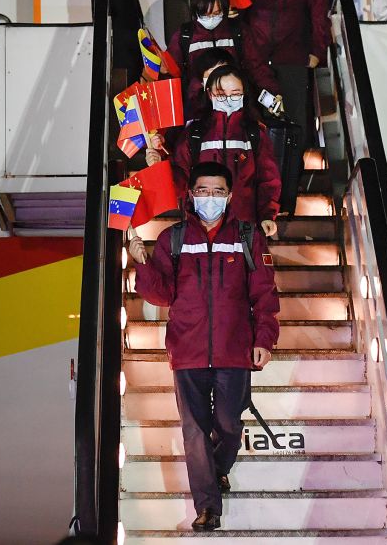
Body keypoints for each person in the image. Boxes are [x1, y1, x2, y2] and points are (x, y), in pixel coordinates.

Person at [129, 161, 280, 532]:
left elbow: (263, 294)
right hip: (187, 350)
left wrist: (264, 339)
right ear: (190, 194)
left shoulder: (247, 237)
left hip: (235, 349)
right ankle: (208, 506)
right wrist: (142, 263)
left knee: (229, 424)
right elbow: (162, 294)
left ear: (229, 196)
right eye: (202, 191)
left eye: (217, 191)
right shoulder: (173, 238)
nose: (209, 198)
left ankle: (218, 469)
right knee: (194, 430)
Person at [235, 0, 328, 212]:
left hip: (292, 61)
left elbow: (318, 12)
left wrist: (317, 51)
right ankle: (250, 197)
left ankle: (286, 196)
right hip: (254, 61)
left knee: (294, 130)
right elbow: (234, 0)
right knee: (252, 127)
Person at [172, 65, 280, 238]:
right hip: (199, 226)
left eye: (236, 93)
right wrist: (159, 162)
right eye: (221, 93)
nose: (229, 99)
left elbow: (268, 179)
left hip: (244, 226)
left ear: (244, 95)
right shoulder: (194, 133)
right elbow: (181, 176)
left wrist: (267, 215)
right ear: (209, 94)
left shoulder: (254, 133)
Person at [168, 0, 246, 118]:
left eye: (216, 13)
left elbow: (256, 65)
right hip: (197, 105)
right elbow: (171, 72)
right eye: (206, 14)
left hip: (233, 102)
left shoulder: (236, 31)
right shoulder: (185, 35)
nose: (211, 19)